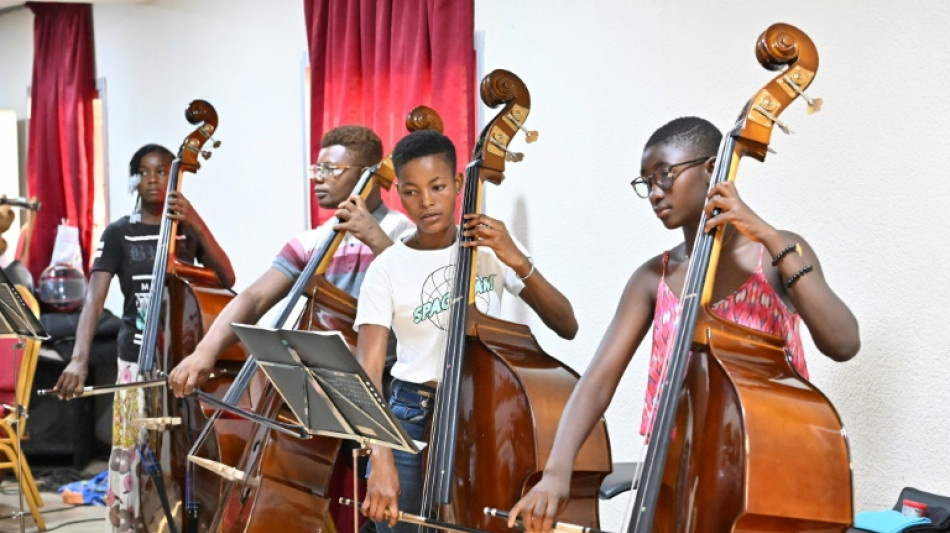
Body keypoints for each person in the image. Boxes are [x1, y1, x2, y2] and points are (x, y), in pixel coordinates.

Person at [507, 116, 861, 533]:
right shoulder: (651, 279)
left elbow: (843, 342)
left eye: (665, 175)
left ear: (712, 169)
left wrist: (767, 234)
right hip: (679, 474)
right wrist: (556, 472)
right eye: (646, 182)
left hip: (772, 473)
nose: (655, 193)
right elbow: (598, 381)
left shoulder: (776, 253)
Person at [355, 130, 580, 533]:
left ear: (459, 184)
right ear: (399, 195)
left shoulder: (488, 250)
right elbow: (368, 370)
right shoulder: (387, 268)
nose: (426, 202)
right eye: (411, 191)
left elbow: (566, 324)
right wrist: (381, 457)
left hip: (482, 415)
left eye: (438, 187)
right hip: (410, 418)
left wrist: (514, 256)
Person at [52, 143, 236, 533]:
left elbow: (227, 280)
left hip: (182, 360)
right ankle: (131, 524)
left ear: (175, 179)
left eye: (163, 172)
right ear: (134, 179)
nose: (154, 180)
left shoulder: (185, 232)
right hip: (136, 357)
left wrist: (198, 224)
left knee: (182, 448)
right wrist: (79, 359)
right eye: (145, 172)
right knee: (134, 449)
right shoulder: (120, 232)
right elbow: (94, 300)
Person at [168, 124, 413, 396]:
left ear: (367, 172)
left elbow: (416, 295)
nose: (318, 178)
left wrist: (375, 238)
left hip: (390, 385)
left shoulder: (401, 232)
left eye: (329, 169)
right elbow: (254, 298)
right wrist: (205, 351)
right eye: (316, 170)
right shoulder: (313, 242)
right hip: (320, 384)